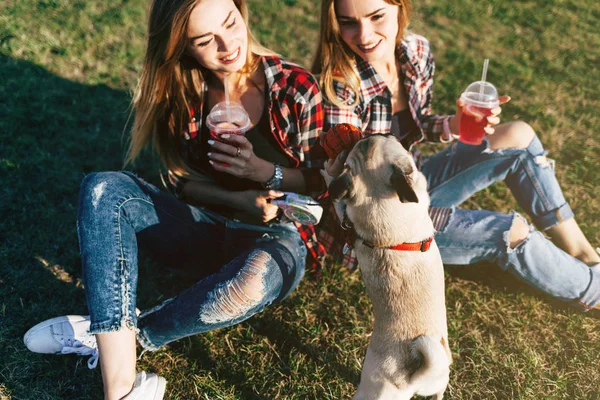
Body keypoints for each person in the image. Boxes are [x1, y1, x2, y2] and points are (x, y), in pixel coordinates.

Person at [23, 0, 326, 398]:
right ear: (183, 47)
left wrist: (262, 173)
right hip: (204, 227)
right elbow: (182, 183)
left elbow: (320, 184)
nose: (227, 45)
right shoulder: (187, 96)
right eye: (204, 40)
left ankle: (112, 333)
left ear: (241, 10)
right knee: (103, 188)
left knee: (251, 283)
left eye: (230, 23)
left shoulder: (295, 87)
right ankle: (122, 389)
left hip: (280, 239)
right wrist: (241, 199)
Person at [312, 0, 600, 311]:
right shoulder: (340, 89)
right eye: (348, 22)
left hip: (414, 181)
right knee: (509, 232)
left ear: (400, 8)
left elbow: (417, 123)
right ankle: (592, 291)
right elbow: (352, 198)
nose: (364, 34)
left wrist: (454, 125)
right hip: (379, 224)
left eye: (376, 16)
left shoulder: (415, 51)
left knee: (518, 134)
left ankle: (585, 254)